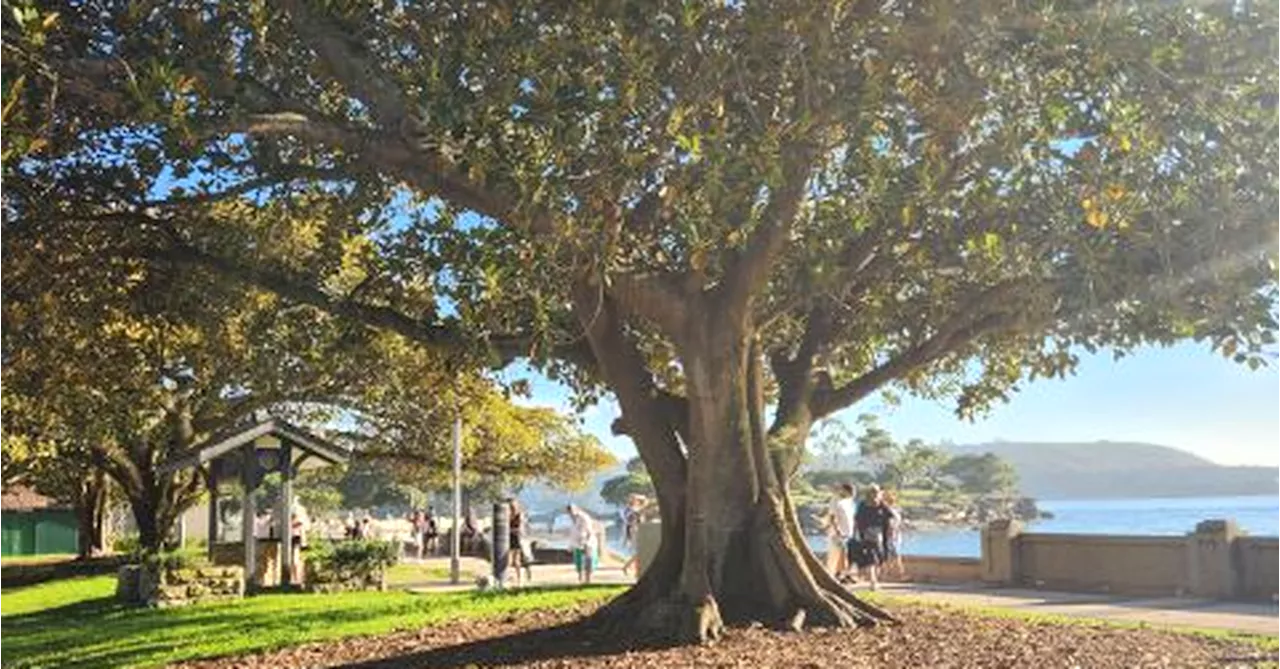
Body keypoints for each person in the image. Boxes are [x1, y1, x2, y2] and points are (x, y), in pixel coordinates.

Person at [853, 484, 889, 591]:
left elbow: (856, 519)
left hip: (871, 533)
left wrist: (856, 532)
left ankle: (874, 581)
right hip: (874, 534)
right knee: (875, 558)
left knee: (873, 558)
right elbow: (889, 518)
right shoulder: (876, 505)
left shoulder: (878, 505)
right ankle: (874, 581)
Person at [828, 483, 856, 582]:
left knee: (847, 554)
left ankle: (845, 574)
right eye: (850, 492)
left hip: (849, 532)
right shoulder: (835, 501)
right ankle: (839, 574)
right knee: (841, 554)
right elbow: (832, 517)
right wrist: (837, 529)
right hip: (839, 533)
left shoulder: (849, 502)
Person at [566, 504, 597, 584]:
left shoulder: (584, 517)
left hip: (587, 541)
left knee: (588, 560)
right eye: (569, 512)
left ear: (576, 509)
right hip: (577, 542)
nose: (571, 514)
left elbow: (589, 530)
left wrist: (586, 542)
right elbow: (573, 533)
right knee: (578, 561)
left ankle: (588, 579)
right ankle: (580, 578)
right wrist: (570, 545)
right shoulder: (572, 519)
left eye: (572, 511)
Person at [620, 495, 647, 577]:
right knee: (639, 552)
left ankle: (633, 570)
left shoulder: (632, 510)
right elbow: (631, 522)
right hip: (635, 532)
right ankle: (630, 568)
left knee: (639, 552)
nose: (638, 502)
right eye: (636, 500)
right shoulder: (632, 510)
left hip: (637, 531)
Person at [507, 498, 532, 586]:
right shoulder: (508, 515)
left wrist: (509, 530)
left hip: (518, 538)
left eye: (512, 506)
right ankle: (511, 577)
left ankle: (520, 578)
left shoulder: (519, 515)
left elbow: (520, 529)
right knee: (510, 560)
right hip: (510, 538)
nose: (511, 508)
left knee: (517, 560)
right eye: (510, 506)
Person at [882, 490, 905, 579]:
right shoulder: (888, 510)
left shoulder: (895, 509)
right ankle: (900, 573)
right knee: (894, 554)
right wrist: (890, 533)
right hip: (891, 535)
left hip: (896, 534)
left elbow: (897, 522)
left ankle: (888, 573)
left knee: (893, 554)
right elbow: (890, 523)